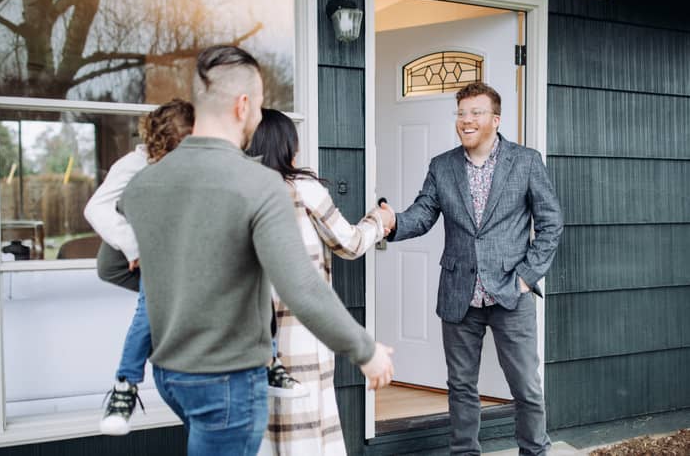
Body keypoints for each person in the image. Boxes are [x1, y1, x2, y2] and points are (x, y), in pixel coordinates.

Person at [119, 45, 394, 456]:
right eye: (262, 105)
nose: (260, 115)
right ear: (243, 105)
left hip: (171, 373)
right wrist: (365, 349)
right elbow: (301, 285)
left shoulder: (148, 181)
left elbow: (116, 266)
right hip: (228, 372)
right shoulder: (258, 183)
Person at [380, 82, 563, 456]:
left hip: (512, 293)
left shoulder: (526, 161)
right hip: (459, 294)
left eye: (475, 113)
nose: (466, 120)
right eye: (461, 113)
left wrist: (528, 277)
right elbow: (422, 214)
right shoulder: (442, 166)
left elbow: (551, 223)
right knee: (461, 386)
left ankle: (535, 452)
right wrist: (392, 222)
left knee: (526, 387)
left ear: (495, 119)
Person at [247, 109, 391, 455]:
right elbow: (351, 243)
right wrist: (380, 220)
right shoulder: (303, 189)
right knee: (307, 424)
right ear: (285, 147)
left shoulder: (240, 193)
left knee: (265, 424)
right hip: (302, 327)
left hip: (251, 331)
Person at [84, 99, 194, 435]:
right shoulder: (135, 164)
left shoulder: (185, 166)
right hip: (141, 248)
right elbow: (96, 209)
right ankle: (125, 384)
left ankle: (127, 382)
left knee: (159, 300)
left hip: (172, 254)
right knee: (151, 299)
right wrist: (133, 244)